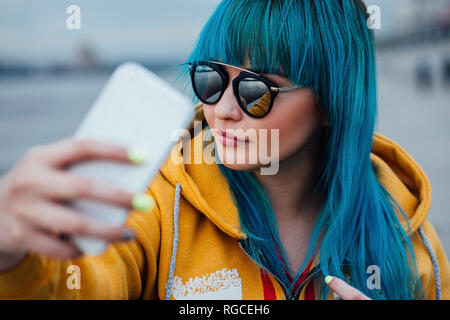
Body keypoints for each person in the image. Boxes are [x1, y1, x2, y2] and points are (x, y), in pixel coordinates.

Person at [0, 0, 449, 300]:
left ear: (333, 103)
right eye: (211, 80)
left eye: (257, 90)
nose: (225, 110)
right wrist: (14, 253)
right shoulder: (159, 205)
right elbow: (86, 283)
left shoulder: (409, 241)